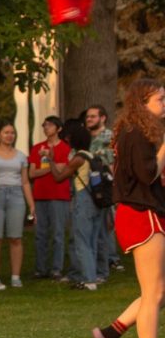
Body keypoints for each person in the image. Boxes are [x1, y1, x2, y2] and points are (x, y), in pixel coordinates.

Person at [91, 79, 165, 338]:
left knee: (159, 291)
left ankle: (110, 334)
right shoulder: (135, 133)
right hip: (140, 213)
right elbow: (147, 174)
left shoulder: (138, 132)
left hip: (145, 211)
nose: (164, 104)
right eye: (160, 99)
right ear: (142, 102)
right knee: (154, 293)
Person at [51, 121, 105, 291]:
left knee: (82, 241)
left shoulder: (78, 158)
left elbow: (59, 177)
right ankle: (93, 275)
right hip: (97, 202)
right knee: (92, 241)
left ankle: (88, 280)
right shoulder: (93, 156)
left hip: (83, 200)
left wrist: (51, 160)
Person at [0, 123, 35, 289]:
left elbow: (25, 181)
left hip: (16, 195)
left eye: (12, 132)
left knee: (16, 237)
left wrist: (31, 204)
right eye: (6, 132)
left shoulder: (20, 156)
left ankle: (15, 276)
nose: (9, 135)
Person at [28, 116, 71, 281]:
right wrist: (53, 167)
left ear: (59, 128)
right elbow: (32, 173)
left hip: (59, 196)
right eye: (44, 125)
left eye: (50, 125)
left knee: (58, 234)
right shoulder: (37, 148)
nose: (46, 128)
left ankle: (56, 269)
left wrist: (50, 163)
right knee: (40, 233)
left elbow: (62, 171)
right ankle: (40, 269)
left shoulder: (66, 148)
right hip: (40, 195)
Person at [85, 104, 121, 278]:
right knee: (92, 230)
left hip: (103, 187)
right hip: (86, 187)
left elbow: (113, 164)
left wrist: (116, 188)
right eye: (88, 116)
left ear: (103, 118)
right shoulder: (86, 138)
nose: (89, 119)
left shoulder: (109, 137)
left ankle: (103, 268)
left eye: (93, 116)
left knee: (102, 229)